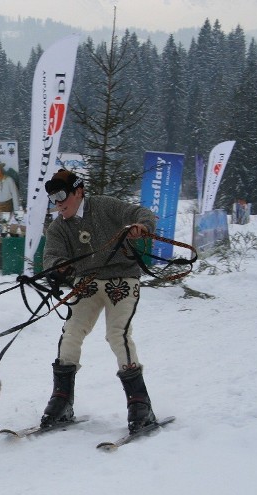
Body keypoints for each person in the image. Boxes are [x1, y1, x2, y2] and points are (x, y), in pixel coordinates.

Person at [39, 169, 158, 433]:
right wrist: (59, 268)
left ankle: (140, 403)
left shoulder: (105, 206)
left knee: (118, 334)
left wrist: (142, 227)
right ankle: (62, 400)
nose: (57, 203)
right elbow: (51, 257)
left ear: (78, 192)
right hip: (87, 283)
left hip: (122, 279)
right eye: (53, 198)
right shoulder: (58, 227)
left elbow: (143, 213)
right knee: (71, 333)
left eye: (61, 195)